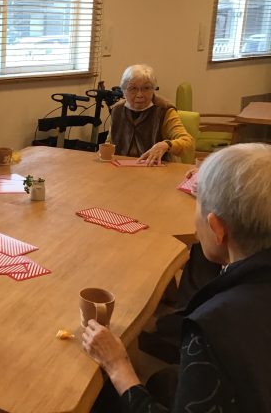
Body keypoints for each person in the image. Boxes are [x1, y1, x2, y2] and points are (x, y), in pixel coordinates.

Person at [82, 143, 271, 412]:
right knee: (164, 381)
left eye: (198, 204)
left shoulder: (214, 327)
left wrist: (117, 366)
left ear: (217, 228)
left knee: (102, 397)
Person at [109, 64, 193, 166]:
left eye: (146, 88)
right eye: (133, 88)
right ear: (123, 91)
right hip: (123, 168)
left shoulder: (164, 110)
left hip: (156, 167)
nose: (140, 95)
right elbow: (109, 142)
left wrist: (166, 144)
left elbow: (188, 143)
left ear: (153, 89)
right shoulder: (117, 110)